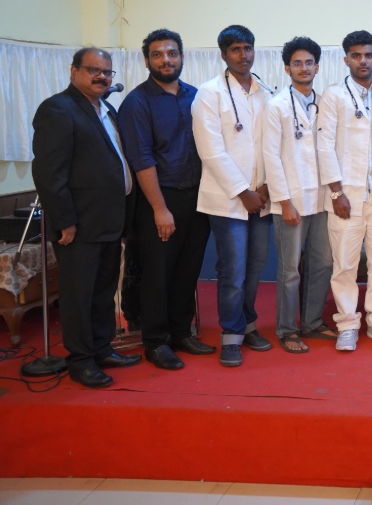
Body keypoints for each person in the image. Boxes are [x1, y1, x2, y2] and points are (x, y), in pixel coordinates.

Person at [32, 48, 140, 387]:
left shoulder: (107, 109)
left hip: (110, 220)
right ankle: (81, 360)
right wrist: (64, 219)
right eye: (93, 70)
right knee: (79, 295)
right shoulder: (58, 109)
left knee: (103, 292)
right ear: (74, 71)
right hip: (78, 225)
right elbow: (49, 173)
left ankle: (102, 348)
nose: (102, 77)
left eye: (107, 72)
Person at [118, 29, 213, 371]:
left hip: (197, 197)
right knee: (157, 273)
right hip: (158, 199)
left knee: (187, 269)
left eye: (172, 53)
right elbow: (141, 159)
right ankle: (156, 342)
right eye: (157, 55)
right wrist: (160, 209)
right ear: (147, 61)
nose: (166, 60)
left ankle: (181, 332)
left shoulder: (196, 96)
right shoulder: (137, 102)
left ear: (181, 57)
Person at [192, 25, 274, 367]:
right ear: (224, 54)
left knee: (255, 267)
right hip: (228, 200)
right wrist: (243, 192)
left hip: (262, 196)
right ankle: (230, 335)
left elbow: (272, 143)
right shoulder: (208, 93)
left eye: (248, 48)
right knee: (233, 269)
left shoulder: (265, 91)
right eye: (236, 49)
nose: (244, 55)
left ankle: (248, 323)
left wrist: (265, 187)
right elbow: (210, 151)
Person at [316, 31, 372, 350]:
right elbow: (324, 146)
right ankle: (348, 324)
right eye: (356, 55)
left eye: (367, 55)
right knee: (345, 264)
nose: (362, 61)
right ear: (346, 59)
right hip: (346, 197)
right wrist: (336, 193)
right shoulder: (333, 95)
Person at [262, 37, 336, 354]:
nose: (303, 68)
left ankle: (312, 321)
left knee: (323, 263)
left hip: (321, 199)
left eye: (309, 63)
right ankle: (287, 329)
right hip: (290, 201)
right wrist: (284, 202)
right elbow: (271, 157)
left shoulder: (326, 103)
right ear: (287, 68)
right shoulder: (275, 106)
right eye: (297, 63)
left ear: (317, 67)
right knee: (290, 271)